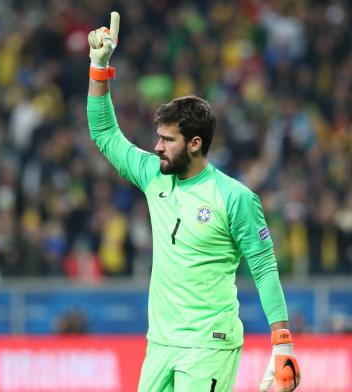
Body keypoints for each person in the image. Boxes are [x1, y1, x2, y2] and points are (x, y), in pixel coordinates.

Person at [86, 12, 301, 392]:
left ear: (195, 143)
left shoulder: (234, 197)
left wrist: (282, 345)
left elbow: (265, 268)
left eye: (168, 139)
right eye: (158, 137)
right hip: (161, 344)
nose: (157, 146)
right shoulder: (154, 174)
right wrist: (98, 66)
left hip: (209, 346)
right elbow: (104, 132)